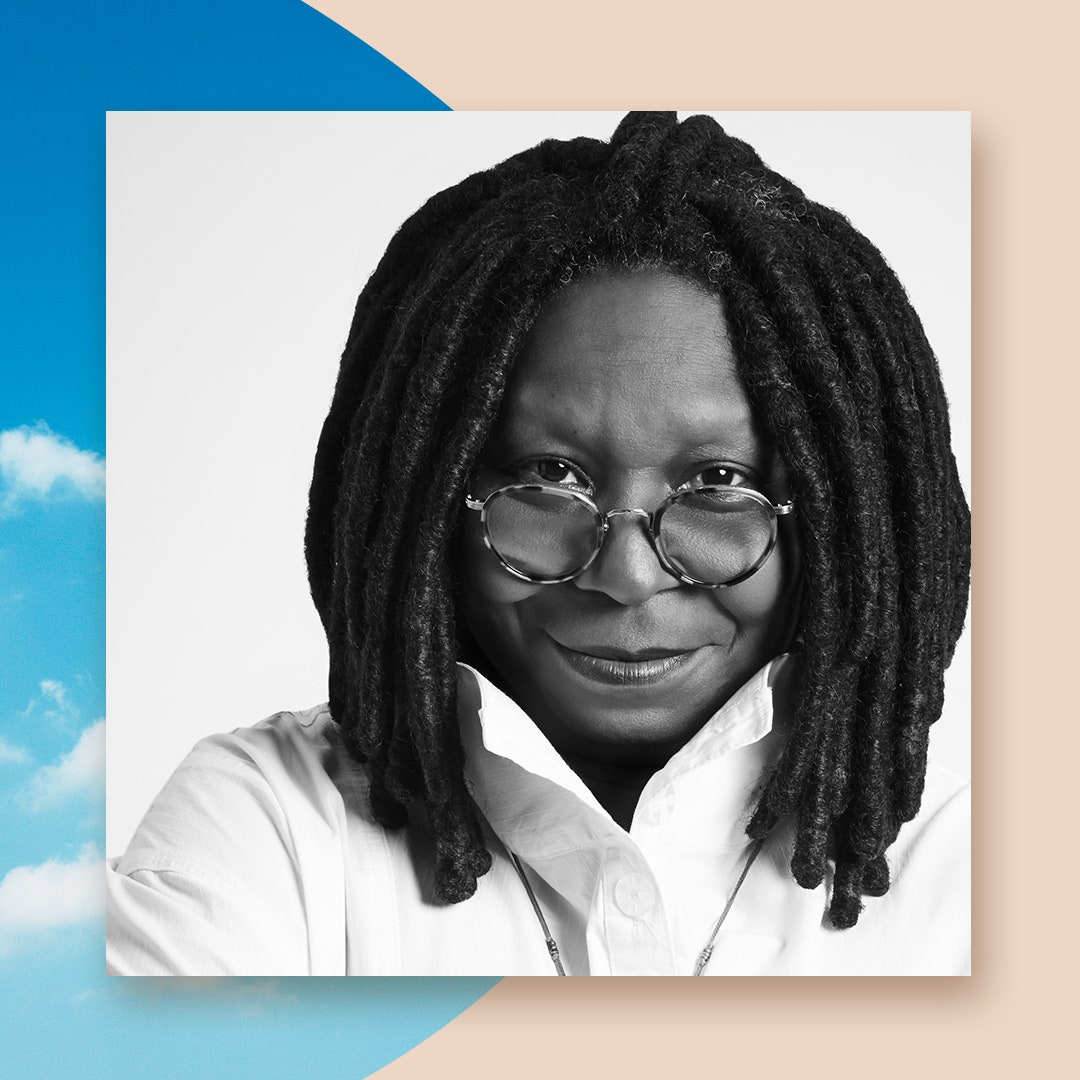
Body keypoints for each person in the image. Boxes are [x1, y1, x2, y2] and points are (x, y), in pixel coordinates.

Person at [106, 112, 970, 975]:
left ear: (834, 516)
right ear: (432, 500)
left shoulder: (984, 878)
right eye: (550, 476)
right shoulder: (265, 829)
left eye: (717, 483)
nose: (628, 577)